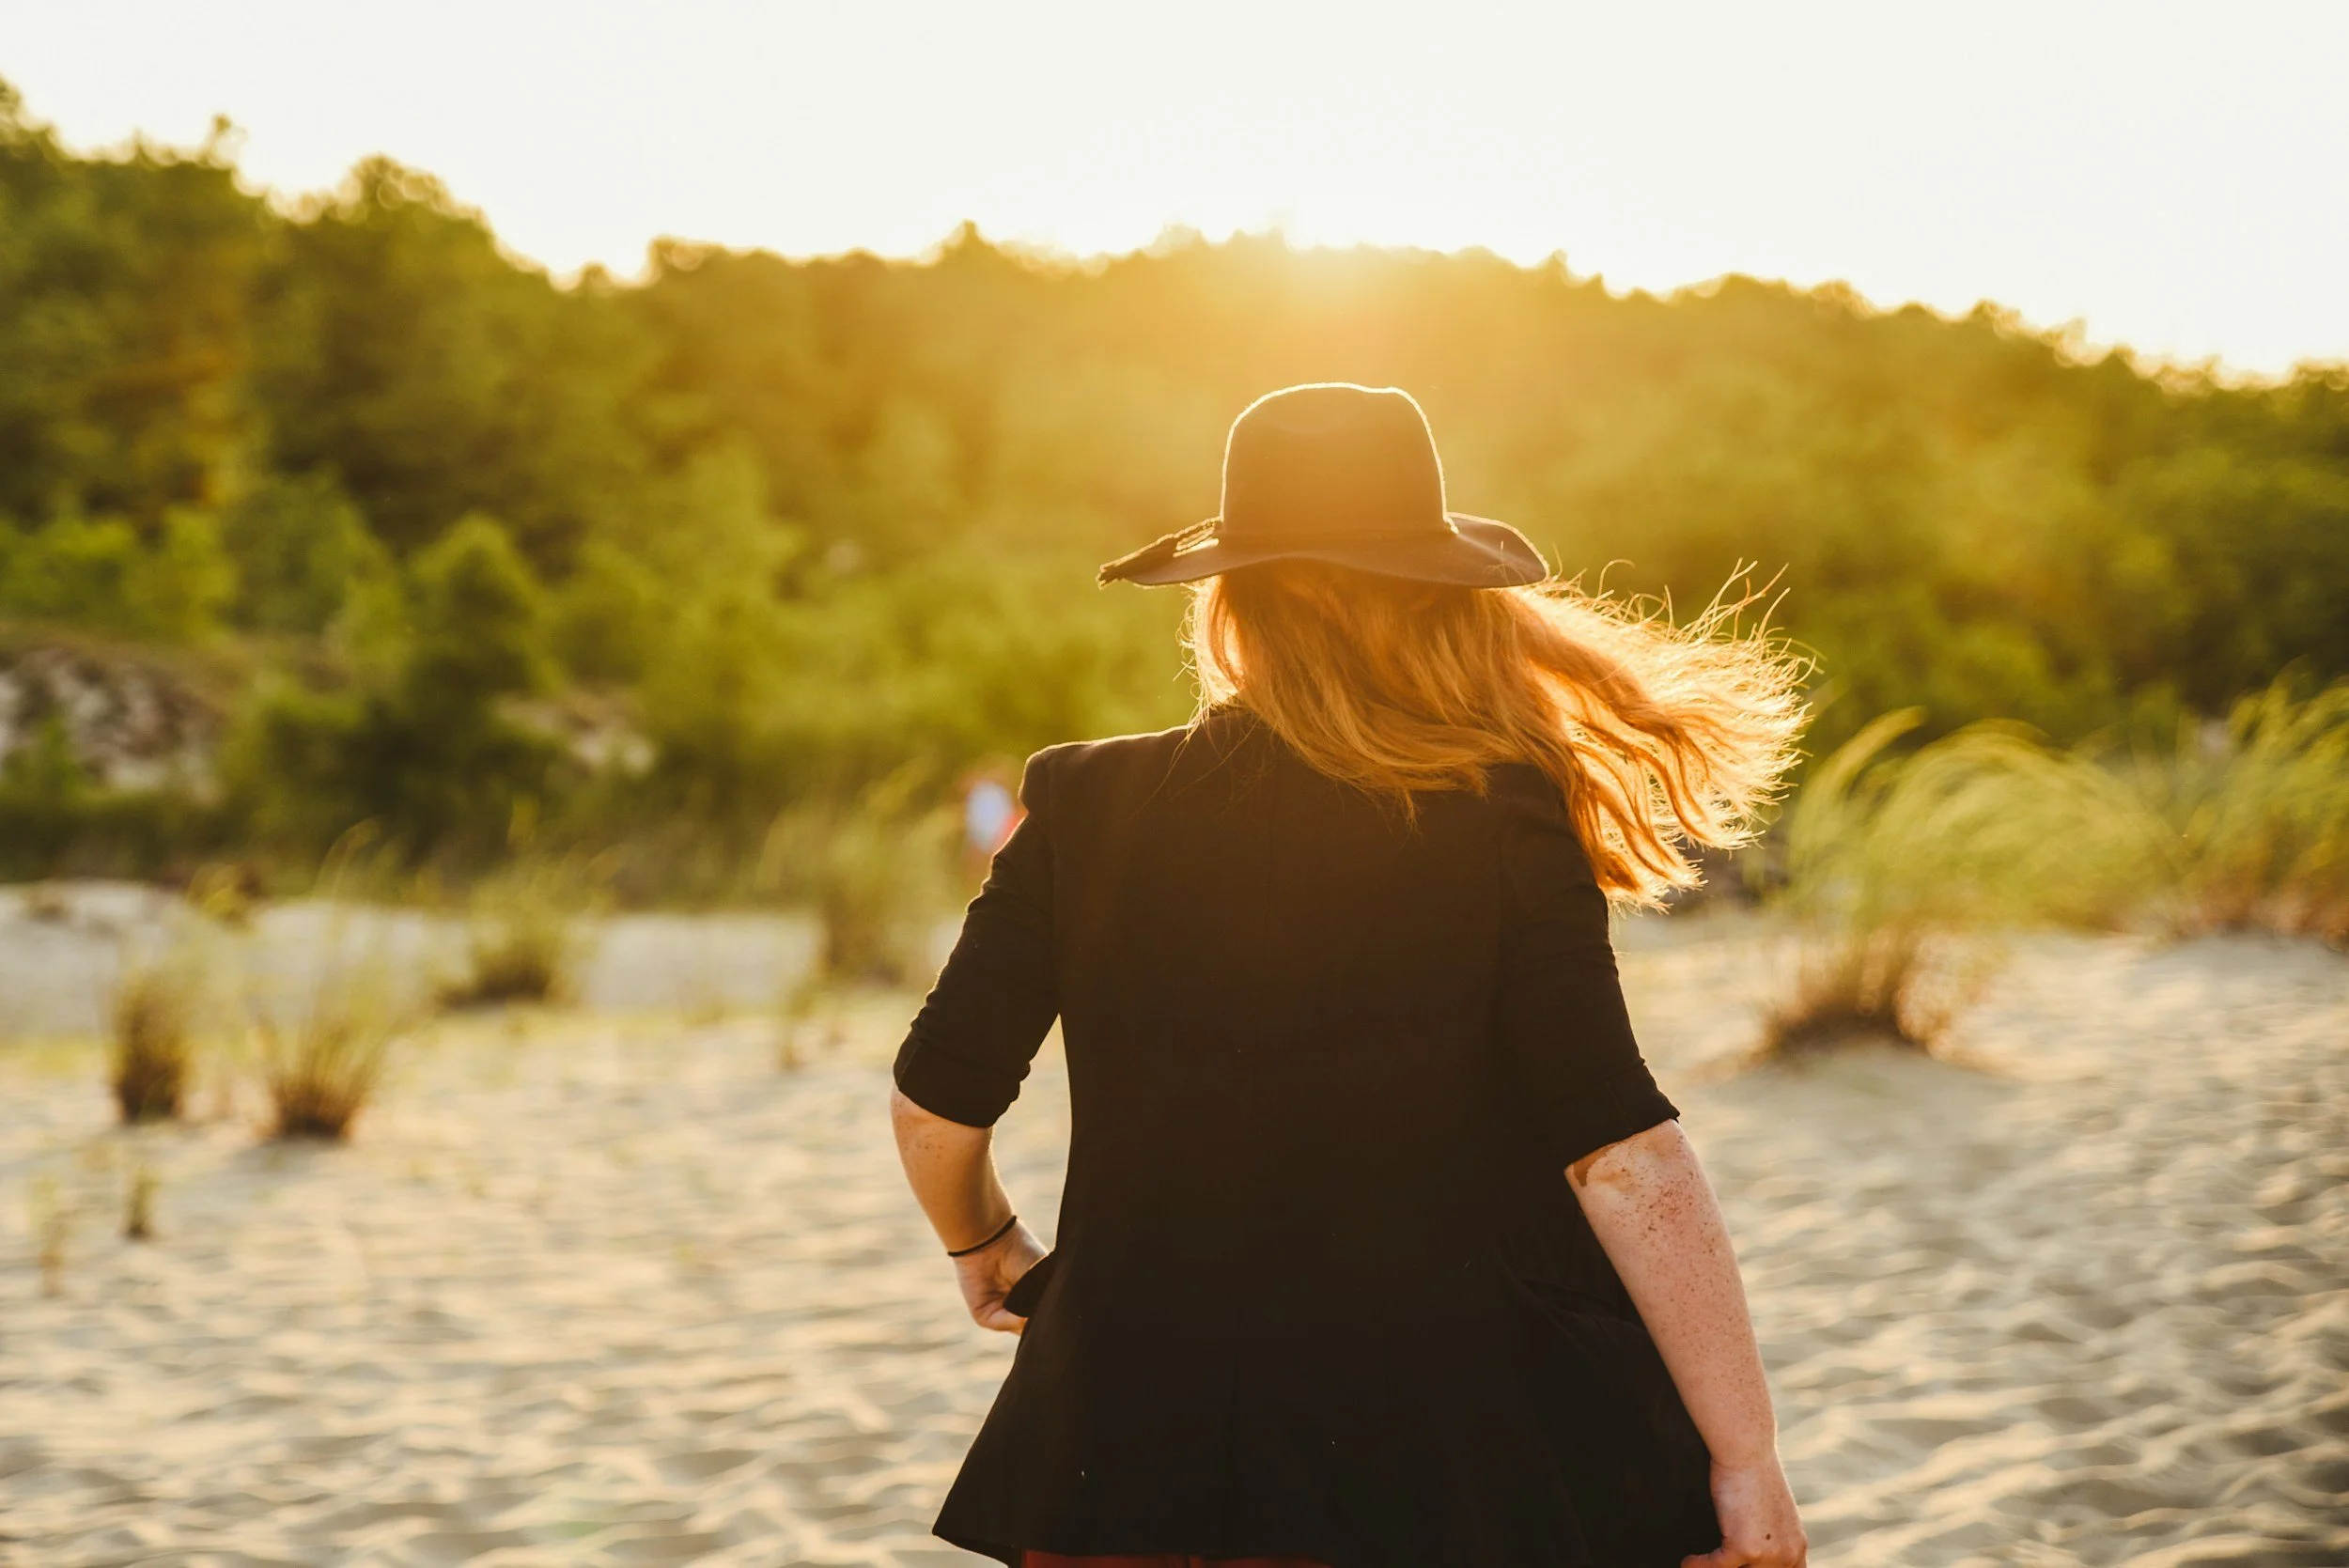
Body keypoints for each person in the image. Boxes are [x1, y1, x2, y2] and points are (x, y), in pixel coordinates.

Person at [890, 382, 1810, 1568]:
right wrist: (1746, 1453)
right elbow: (1621, 1155)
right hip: (1443, 1459)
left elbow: (933, 1102)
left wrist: (983, 1245)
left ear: (1231, 606)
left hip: (1122, 1461)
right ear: (1440, 603)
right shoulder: (1498, 815)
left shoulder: (1082, 799)